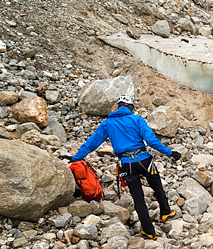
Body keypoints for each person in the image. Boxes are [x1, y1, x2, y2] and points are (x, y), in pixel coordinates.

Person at [72, 94, 181, 240]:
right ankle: (165, 213)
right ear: (130, 107)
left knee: (138, 198)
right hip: (145, 161)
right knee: (157, 185)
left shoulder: (107, 123)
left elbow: (92, 143)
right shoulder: (136, 119)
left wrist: (76, 158)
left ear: (118, 107)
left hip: (127, 165)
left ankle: (149, 231)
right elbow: (151, 141)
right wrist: (170, 153)